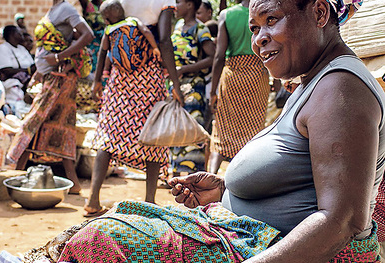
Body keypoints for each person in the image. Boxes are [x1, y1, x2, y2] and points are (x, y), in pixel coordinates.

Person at [55, 0, 385, 262]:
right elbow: (301, 179)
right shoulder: (312, 82)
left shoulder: (342, 90)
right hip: (246, 234)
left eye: (272, 20)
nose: (259, 39)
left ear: (319, 11)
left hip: (268, 249)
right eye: (255, 28)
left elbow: (341, 222)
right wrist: (225, 190)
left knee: (101, 240)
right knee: (103, 225)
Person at [84, 0, 185, 216]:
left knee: (110, 132)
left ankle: (92, 199)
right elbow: (165, 39)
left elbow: (106, 40)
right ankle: (149, 200)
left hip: (119, 76)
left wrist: (98, 80)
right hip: (149, 74)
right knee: (152, 131)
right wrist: (174, 82)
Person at [6, 0, 94, 195]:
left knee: (34, 124)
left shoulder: (67, 9)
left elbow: (87, 35)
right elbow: (46, 47)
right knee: (51, 127)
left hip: (61, 80)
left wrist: (59, 57)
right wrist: (39, 71)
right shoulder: (53, 10)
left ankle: (15, 177)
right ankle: (70, 182)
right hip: (51, 78)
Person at [207, 0, 270, 174]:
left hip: (232, 77)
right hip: (258, 76)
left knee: (221, 130)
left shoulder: (227, 15)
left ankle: (210, 176)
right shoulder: (264, 12)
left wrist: (213, 91)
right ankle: (244, 179)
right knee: (253, 131)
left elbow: (219, 56)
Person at [169, 0, 215, 175]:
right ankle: (173, 174)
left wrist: (184, 69)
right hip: (176, 85)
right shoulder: (179, 25)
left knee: (192, 129)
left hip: (194, 86)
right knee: (175, 128)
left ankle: (194, 176)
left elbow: (211, 56)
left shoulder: (200, 29)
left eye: (179, 2)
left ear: (190, 5)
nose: (176, 6)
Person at [0, 25, 36, 113]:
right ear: (11, 34)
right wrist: (28, 70)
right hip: (12, 90)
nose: (21, 35)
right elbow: (5, 70)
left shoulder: (22, 49)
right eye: (18, 33)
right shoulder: (2, 49)